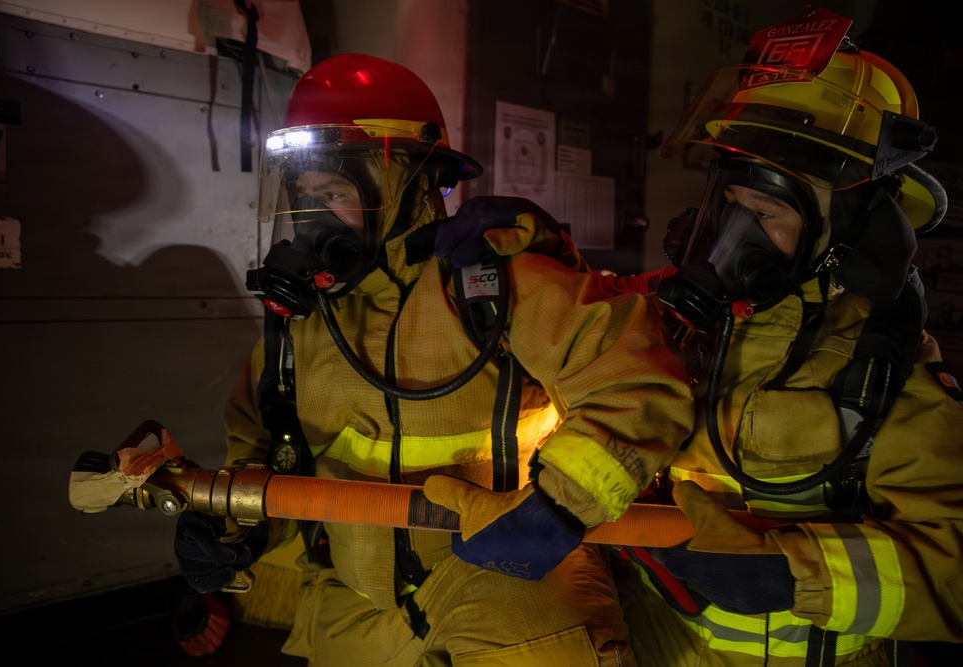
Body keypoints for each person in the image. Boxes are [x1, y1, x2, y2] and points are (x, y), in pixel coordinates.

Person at [437, 7, 963, 666]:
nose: (730, 237)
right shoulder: (681, 312)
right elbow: (596, 321)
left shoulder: (887, 376)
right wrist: (532, 251)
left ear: (849, 232)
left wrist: (797, 572)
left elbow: (954, 565)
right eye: (730, 203)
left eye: (765, 212)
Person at [172, 52, 695, 666]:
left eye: (334, 192)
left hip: (500, 571)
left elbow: (641, 386)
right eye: (303, 194)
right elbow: (268, 456)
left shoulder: (498, 284)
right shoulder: (300, 324)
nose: (312, 218)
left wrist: (555, 512)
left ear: (411, 183)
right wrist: (232, 529)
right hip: (358, 598)